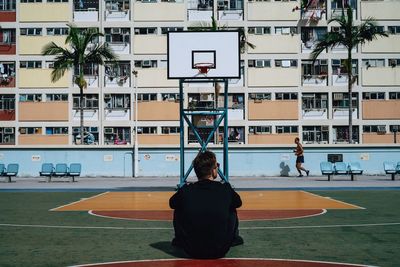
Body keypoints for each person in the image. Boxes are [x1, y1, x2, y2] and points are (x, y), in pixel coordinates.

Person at [169, 150, 243, 259]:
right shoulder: (225, 189)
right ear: (213, 170)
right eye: (217, 165)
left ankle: (179, 240)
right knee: (232, 207)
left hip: (191, 250)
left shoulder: (186, 190)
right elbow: (239, 203)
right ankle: (234, 238)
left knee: (178, 207)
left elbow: (172, 203)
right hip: (220, 250)